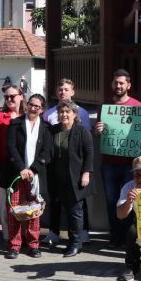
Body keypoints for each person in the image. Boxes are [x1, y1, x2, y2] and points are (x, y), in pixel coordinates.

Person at [94, 69, 141, 248]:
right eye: (116, 83)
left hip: (130, 165)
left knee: (130, 200)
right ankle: (115, 237)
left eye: (122, 83)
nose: (118, 86)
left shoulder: (139, 107)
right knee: (111, 201)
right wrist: (98, 130)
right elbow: (99, 133)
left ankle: (129, 237)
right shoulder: (105, 107)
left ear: (128, 85)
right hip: (109, 163)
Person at [42, 77, 92, 245]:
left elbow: (85, 144)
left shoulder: (82, 113)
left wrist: (85, 171)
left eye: (66, 89)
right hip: (56, 167)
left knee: (79, 202)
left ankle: (83, 232)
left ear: (73, 92)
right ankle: (53, 232)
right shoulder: (48, 114)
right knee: (55, 200)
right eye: (60, 89)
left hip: (76, 167)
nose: (63, 92)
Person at [5, 93, 51, 259]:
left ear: (42, 109)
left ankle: (33, 245)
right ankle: (14, 245)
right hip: (16, 174)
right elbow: (10, 147)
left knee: (34, 211)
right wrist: (21, 168)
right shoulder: (15, 123)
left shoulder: (46, 128)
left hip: (35, 176)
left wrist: (33, 169)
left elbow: (47, 151)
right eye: (31, 104)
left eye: (37, 106)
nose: (32, 108)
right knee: (14, 210)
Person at [48, 100, 95, 257]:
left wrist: (86, 173)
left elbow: (89, 154)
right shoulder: (54, 130)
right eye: (61, 112)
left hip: (76, 178)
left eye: (67, 111)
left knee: (75, 212)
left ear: (75, 114)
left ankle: (75, 243)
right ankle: (72, 242)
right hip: (58, 178)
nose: (64, 114)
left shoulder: (82, 131)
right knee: (65, 210)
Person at [0, 83, 25, 244]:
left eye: (13, 96)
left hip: (26, 168)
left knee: (25, 202)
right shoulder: (0, 117)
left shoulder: (29, 115)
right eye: (6, 97)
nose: (9, 99)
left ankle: (25, 235)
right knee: (5, 204)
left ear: (21, 96)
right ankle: (8, 236)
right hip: (4, 168)